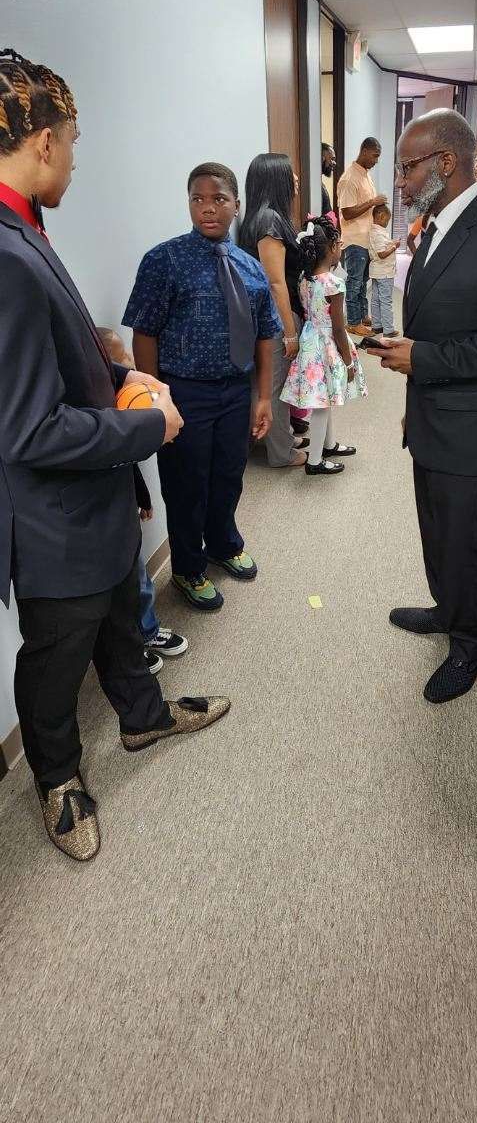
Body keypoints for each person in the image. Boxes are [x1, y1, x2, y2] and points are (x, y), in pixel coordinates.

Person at [0, 50, 230, 861]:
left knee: (118, 622)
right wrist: (146, 429)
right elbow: (25, 430)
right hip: (51, 516)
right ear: (40, 143)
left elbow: (52, 359)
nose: (75, 154)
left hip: (91, 500)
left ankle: (143, 717)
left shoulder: (24, 229)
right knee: (57, 656)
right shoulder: (3, 251)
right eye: (72, 138)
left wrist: (121, 368)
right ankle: (57, 778)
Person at [365, 108, 477, 704]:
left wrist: (426, 359)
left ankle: (472, 642)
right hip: (433, 417)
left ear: (445, 162)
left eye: (406, 168)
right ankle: (447, 609)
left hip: (474, 429)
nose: (400, 182)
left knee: (464, 541)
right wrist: (413, 372)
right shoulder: (435, 227)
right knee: (436, 529)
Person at [123, 162, 278, 612]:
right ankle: (188, 569)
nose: (207, 209)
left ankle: (224, 544)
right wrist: (157, 398)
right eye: (197, 199)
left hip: (234, 391)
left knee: (229, 475)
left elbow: (268, 333)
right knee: (187, 484)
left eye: (218, 199)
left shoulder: (249, 267)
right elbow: (144, 332)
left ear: (236, 205)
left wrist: (263, 396)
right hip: (183, 392)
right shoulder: (163, 260)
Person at [97, 328, 189, 674]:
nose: (131, 367)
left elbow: (129, 467)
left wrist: (143, 497)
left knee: (140, 578)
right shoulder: (100, 421)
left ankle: (148, 631)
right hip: (97, 522)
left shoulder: (126, 414)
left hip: (124, 511)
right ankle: (129, 645)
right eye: (123, 361)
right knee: (116, 591)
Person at [281, 216, 367, 476]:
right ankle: (314, 461)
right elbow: (339, 329)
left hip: (310, 341)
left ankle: (328, 445)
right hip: (327, 345)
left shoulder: (305, 280)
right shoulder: (333, 283)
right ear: (331, 248)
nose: (340, 248)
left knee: (324, 399)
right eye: (339, 243)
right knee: (321, 405)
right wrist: (349, 362)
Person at [239, 152, 308, 468]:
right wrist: (290, 333)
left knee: (269, 384)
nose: (296, 179)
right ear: (276, 179)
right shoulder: (269, 220)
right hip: (277, 318)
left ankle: (276, 439)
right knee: (274, 388)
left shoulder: (264, 216)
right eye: (291, 173)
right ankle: (281, 453)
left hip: (267, 317)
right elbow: (275, 282)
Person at [336, 136, 387, 337]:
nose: (376, 160)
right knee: (354, 282)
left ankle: (362, 316)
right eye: (375, 156)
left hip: (367, 239)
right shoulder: (349, 178)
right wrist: (373, 202)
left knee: (363, 281)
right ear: (365, 151)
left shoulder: (365, 175)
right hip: (355, 240)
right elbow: (347, 212)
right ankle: (353, 322)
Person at [368, 202, 399, 338]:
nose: (387, 222)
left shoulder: (374, 231)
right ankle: (388, 329)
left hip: (377, 272)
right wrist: (395, 246)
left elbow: (381, 247)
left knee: (375, 299)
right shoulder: (378, 233)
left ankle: (377, 325)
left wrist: (391, 243)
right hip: (385, 272)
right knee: (386, 300)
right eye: (387, 219)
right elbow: (382, 253)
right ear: (380, 216)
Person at [321, 142, 337, 222]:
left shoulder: (320, 185)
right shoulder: (315, 187)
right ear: (322, 158)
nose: (334, 163)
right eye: (332, 159)